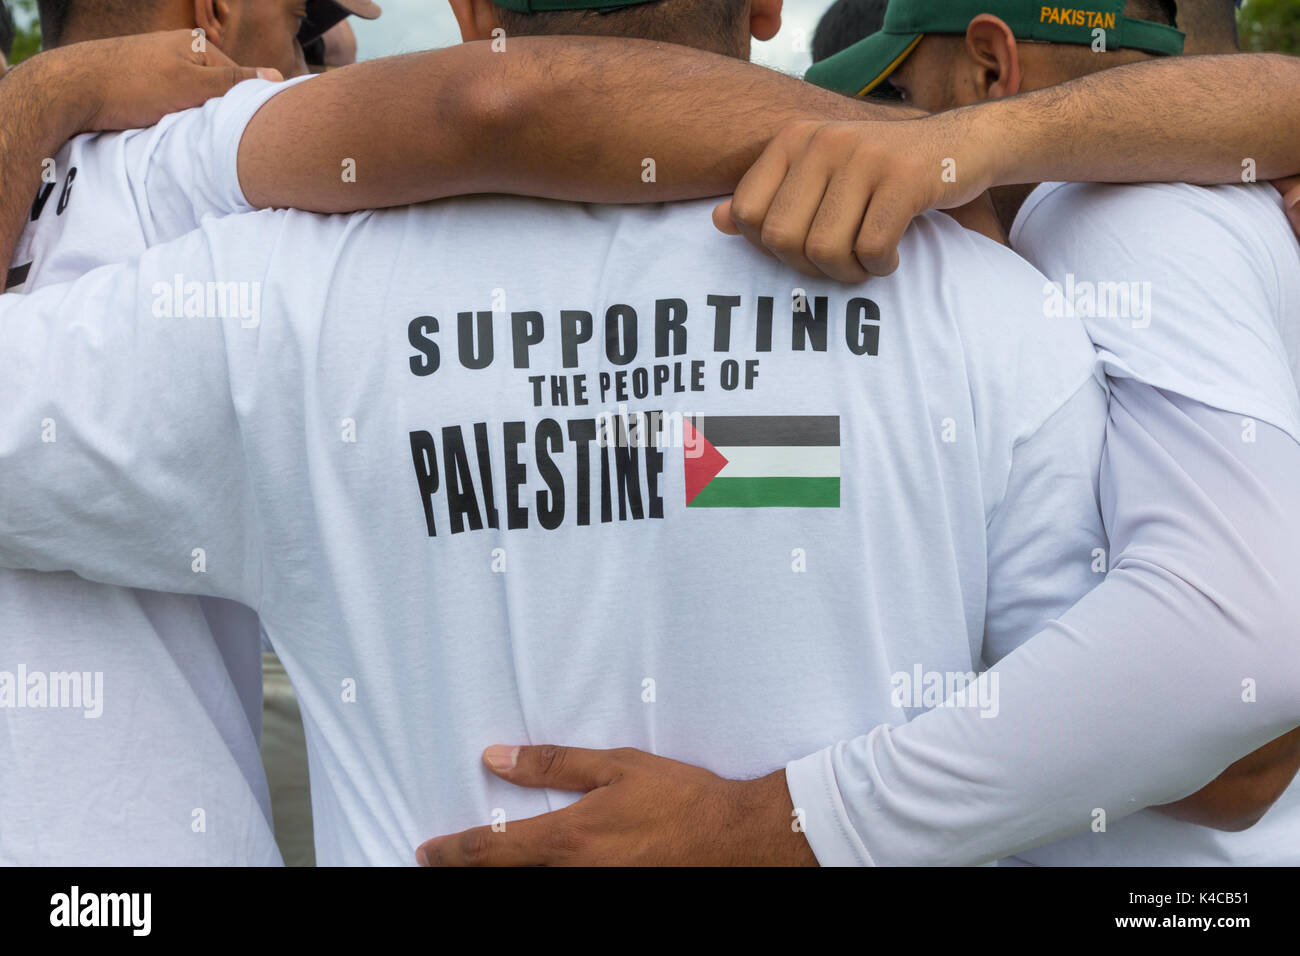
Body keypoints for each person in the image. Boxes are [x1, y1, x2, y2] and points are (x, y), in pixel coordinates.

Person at [8, 0, 1300, 866]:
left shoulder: (251, 305)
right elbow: (1222, 751)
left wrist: (48, 95)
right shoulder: (989, 295)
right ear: (761, 13)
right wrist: (803, 820)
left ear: (466, 10)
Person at [713, 0, 1300, 865]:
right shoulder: (1170, 218)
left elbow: (1238, 754)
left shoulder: (1121, 224)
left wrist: (780, 828)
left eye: (902, 96)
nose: (885, 136)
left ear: (990, 67)